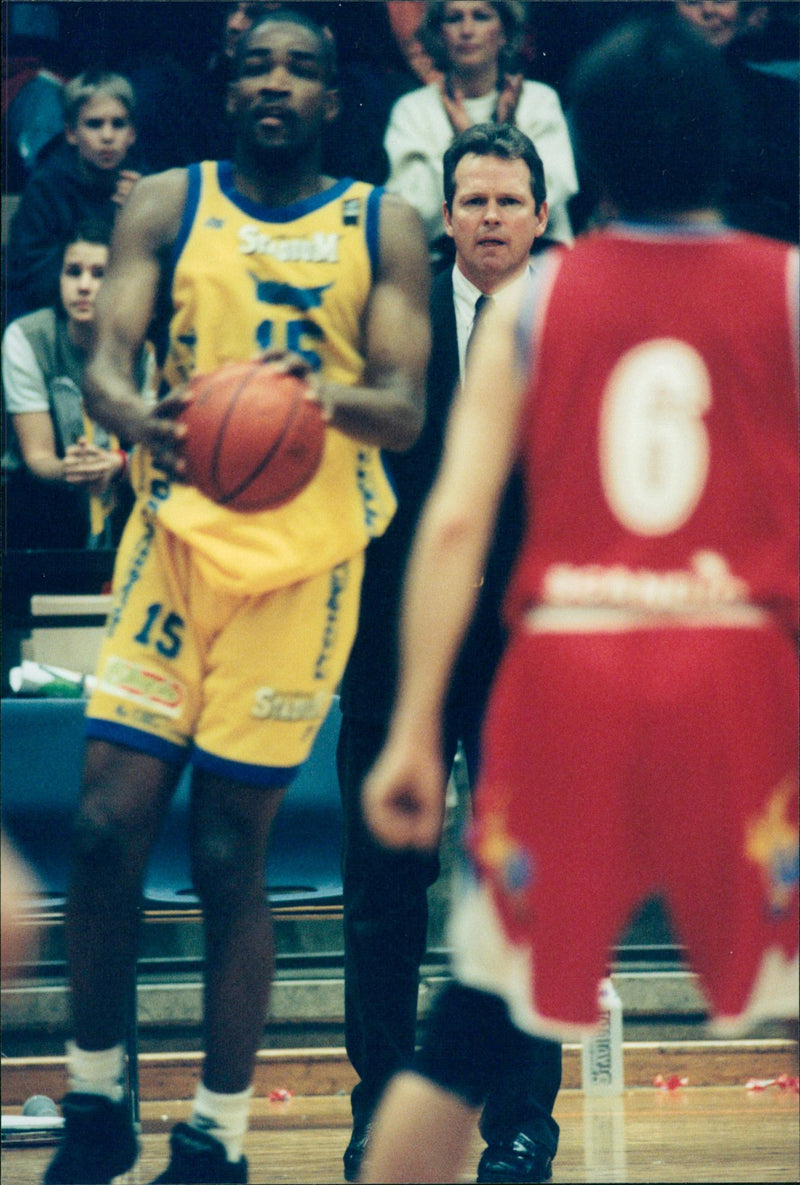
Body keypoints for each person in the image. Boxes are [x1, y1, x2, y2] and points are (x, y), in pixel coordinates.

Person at [359, 14, 799, 1183]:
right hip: (735, 664)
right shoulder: (790, 292)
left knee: (468, 1022)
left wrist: (411, 728)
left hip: (568, 674)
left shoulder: (532, 306)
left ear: (584, 159)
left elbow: (451, 523)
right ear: (727, 140)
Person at [42, 10, 429, 1185]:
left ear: (330, 97)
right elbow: (108, 354)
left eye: (301, 67)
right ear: (226, 84)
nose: (276, 81)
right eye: (257, 63)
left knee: (224, 854)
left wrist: (315, 392)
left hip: (303, 571)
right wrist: (123, 410)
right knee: (105, 828)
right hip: (173, 541)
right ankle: (98, 1102)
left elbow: (404, 406)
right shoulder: (165, 200)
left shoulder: (385, 222)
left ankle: (217, 1134)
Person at [339, 122, 560, 1185]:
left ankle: (521, 1125)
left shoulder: (574, 325)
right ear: (445, 213)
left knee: (520, 883)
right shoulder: (400, 317)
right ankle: (374, 1110)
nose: (485, 218)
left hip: (529, 647)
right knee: (382, 885)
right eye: (469, 200)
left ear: (540, 214)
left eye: (505, 201)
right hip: (394, 634)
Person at [383, 0, 578, 261]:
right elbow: (414, 212)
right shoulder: (413, 110)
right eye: (454, 19)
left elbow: (555, 190)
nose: (466, 30)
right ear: (439, 34)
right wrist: (464, 144)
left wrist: (507, 133)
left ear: (504, 32)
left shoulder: (539, 101)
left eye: (481, 16)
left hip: (536, 259)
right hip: (448, 266)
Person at [2, 220, 147, 551]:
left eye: (99, 274)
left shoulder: (140, 345)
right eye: (73, 271)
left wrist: (118, 464)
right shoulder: (27, 337)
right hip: (45, 494)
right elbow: (38, 456)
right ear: (59, 277)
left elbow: (149, 451)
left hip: (123, 486)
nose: (84, 286)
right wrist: (76, 468)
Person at [6, 70, 141, 319]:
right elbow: (31, 278)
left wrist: (140, 215)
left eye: (118, 124)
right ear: (71, 133)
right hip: (56, 316)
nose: (108, 136)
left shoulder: (146, 186)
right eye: (94, 124)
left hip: (126, 318)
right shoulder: (47, 187)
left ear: (131, 134)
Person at [674, 0, 799, 242]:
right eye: (692, 1)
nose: (709, 10)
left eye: (721, 0)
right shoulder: (640, 95)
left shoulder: (780, 97)